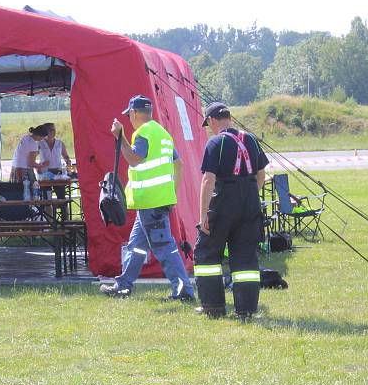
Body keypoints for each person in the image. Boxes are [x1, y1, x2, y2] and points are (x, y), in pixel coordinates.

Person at [100, 95, 195, 301]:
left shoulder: (142, 134)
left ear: (134, 113)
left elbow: (134, 159)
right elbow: (178, 164)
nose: (129, 119)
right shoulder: (162, 134)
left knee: (164, 248)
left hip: (151, 203)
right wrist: (170, 191)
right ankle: (123, 285)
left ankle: (184, 290)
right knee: (136, 246)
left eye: (130, 115)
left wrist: (120, 136)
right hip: (157, 201)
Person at [194, 102, 268, 320]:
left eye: (208, 124)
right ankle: (246, 310)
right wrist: (249, 193)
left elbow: (208, 180)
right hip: (250, 201)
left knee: (207, 253)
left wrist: (203, 214)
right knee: (245, 258)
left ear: (213, 121)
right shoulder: (251, 140)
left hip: (223, 201)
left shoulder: (215, 142)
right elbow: (262, 173)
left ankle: (213, 306)